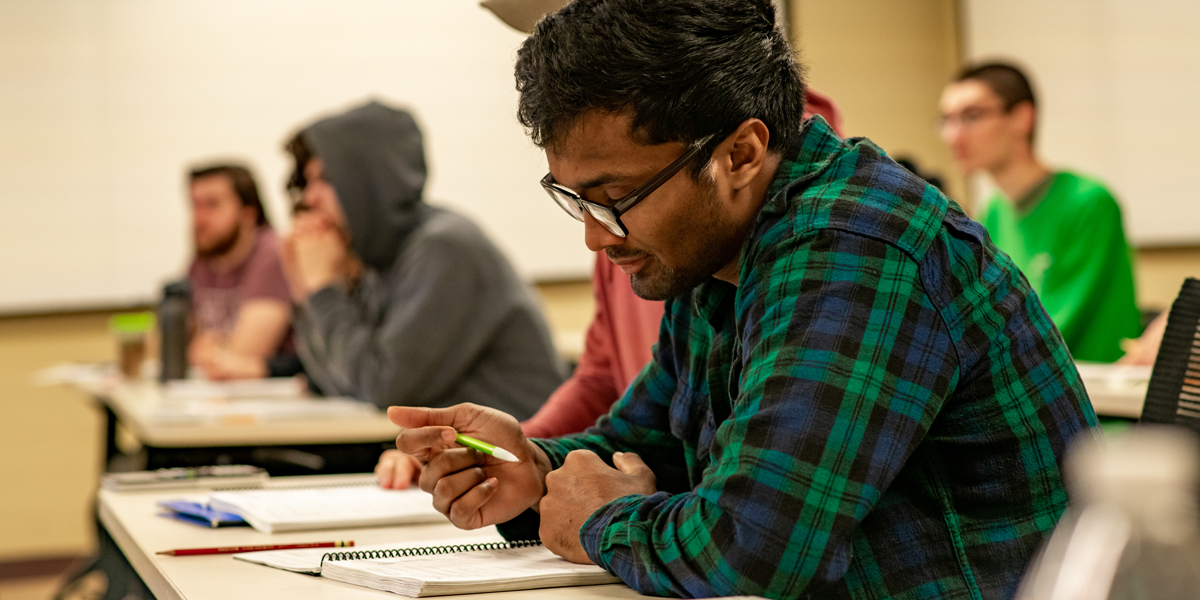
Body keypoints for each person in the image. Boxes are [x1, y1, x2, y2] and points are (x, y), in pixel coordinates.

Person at [390, 1, 1097, 599]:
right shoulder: (722, 253)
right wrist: (534, 471)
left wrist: (602, 521)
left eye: (614, 200)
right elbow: (648, 445)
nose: (595, 240)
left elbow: (755, 545)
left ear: (740, 154)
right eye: (574, 200)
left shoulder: (856, 247)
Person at [282, 100, 564, 418]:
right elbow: (329, 379)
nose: (309, 198)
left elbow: (384, 389)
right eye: (308, 182)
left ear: (370, 181)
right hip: (445, 448)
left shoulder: (444, 249)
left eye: (326, 180)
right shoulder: (379, 255)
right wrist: (305, 291)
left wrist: (322, 290)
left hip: (517, 451)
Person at [940, 62, 1141, 363]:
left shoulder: (1087, 203)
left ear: (1022, 118)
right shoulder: (994, 211)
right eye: (946, 120)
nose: (952, 136)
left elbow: (1048, 331)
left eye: (971, 116)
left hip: (1088, 401)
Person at [186, 164, 295, 380]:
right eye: (194, 206)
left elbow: (243, 356)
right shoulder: (204, 258)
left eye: (212, 205)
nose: (199, 220)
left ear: (249, 213)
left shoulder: (274, 255)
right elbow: (175, 347)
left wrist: (212, 348)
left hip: (276, 397)